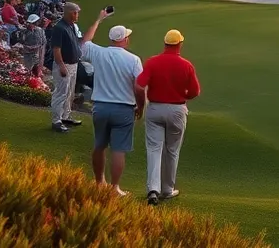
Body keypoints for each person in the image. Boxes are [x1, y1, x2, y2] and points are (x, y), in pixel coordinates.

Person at [79, 11, 145, 195]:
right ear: (124, 40)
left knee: (99, 145)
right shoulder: (133, 60)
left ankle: (99, 182)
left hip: (100, 107)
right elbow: (139, 88)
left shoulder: (98, 53)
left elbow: (85, 42)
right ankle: (115, 187)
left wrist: (98, 20)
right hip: (123, 109)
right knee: (118, 149)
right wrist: (141, 107)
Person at [137, 29, 201, 206]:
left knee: (154, 149)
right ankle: (167, 189)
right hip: (177, 110)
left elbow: (140, 84)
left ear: (165, 43)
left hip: (155, 108)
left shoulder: (152, 62)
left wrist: (141, 104)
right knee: (172, 150)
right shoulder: (186, 65)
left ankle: (152, 189)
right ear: (180, 44)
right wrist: (183, 95)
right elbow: (195, 91)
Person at [49, 2, 84, 132]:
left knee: (69, 93)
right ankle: (56, 121)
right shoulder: (59, 28)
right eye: (76, 12)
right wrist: (61, 66)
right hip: (64, 65)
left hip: (73, 64)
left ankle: (65, 116)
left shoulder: (71, 26)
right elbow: (56, 49)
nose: (77, 15)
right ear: (70, 13)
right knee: (61, 93)